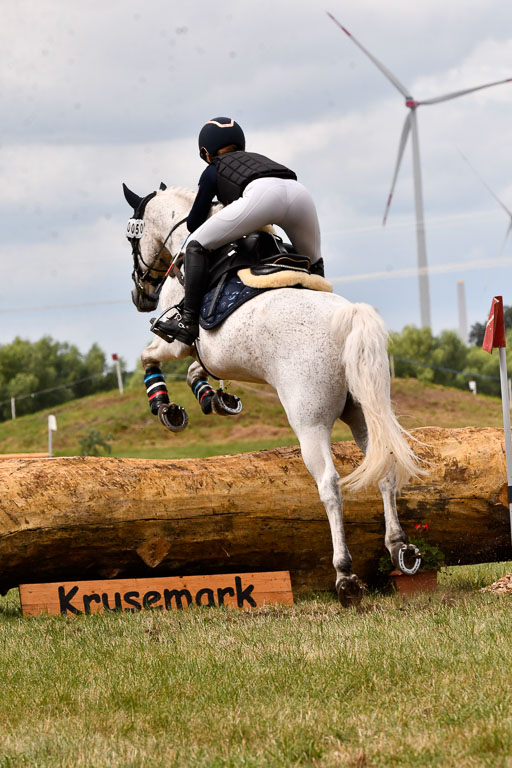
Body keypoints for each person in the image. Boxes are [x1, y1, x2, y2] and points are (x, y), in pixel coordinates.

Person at [156, 116, 324, 345]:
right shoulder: (259, 158)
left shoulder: (213, 168)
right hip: (300, 195)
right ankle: (324, 314)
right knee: (314, 262)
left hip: (262, 196)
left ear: (206, 152)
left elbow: (194, 223)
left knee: (196, 244)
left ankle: (188, 322)